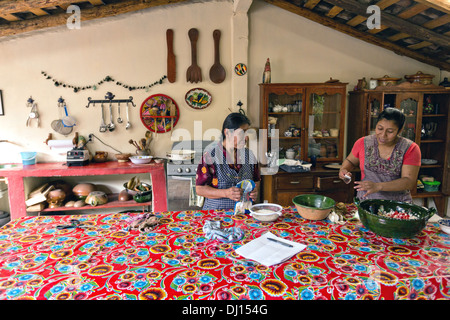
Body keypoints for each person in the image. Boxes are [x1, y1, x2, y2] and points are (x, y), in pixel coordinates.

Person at [339, 107, 421, 202]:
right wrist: (344, 170)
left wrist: (378, 186)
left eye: (390, 131)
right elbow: (350, 161)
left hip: (397, 206)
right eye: (380, 128)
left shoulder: (410, 148)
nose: (383, 135)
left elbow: (409, 181)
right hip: (366, 202)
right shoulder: (363, 143)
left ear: (400, 130)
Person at [196, 113, 260, 210]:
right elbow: (200, 189)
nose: (246, 138)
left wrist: (255, 191)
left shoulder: (249, 155)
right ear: (227, 133)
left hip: (245, 215)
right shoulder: (210, 156)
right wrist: (225, 193)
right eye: (242, 133)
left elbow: (256, 180)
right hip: (216, 215)